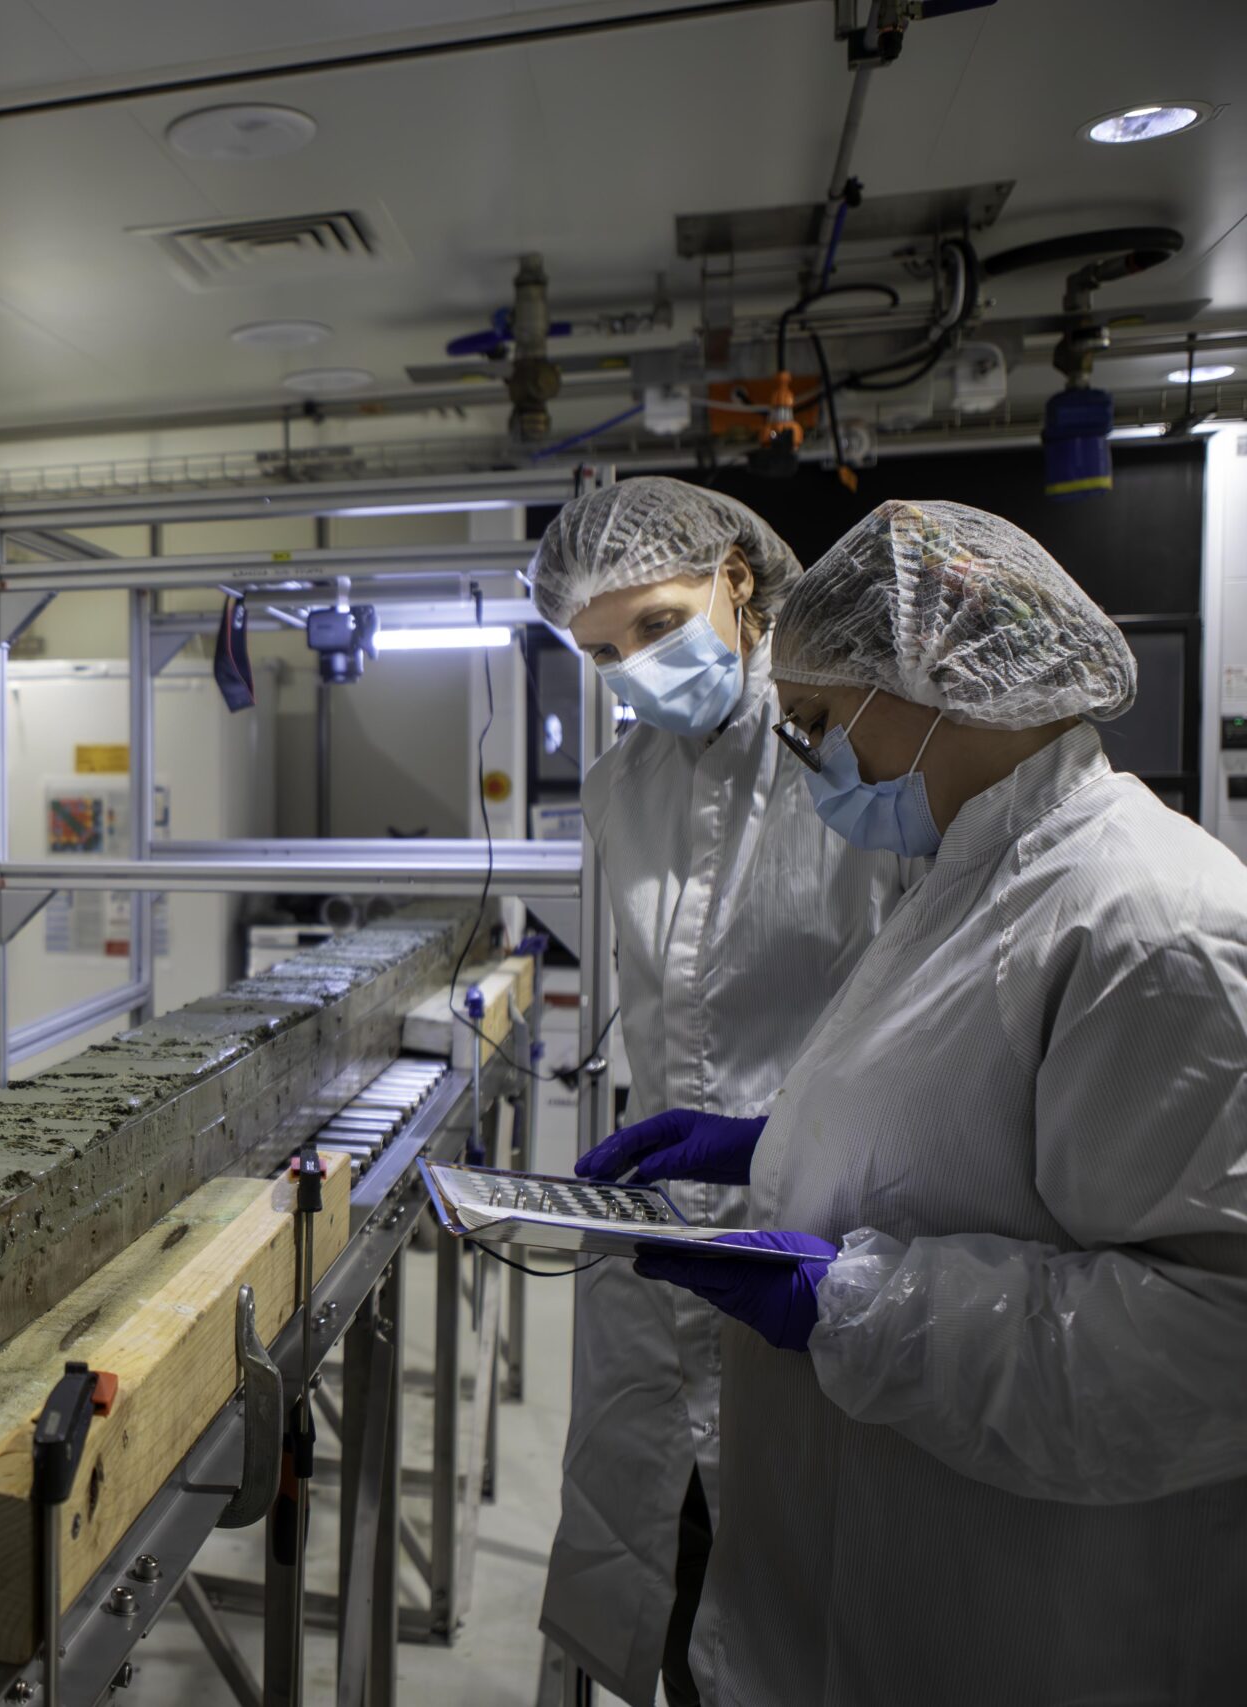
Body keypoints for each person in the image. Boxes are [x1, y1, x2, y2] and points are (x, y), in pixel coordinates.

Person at [631, 500, 1247, 1702]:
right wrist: (776, 1146)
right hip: (867, 1581)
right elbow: (969, 1126)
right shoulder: (969, 876)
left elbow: (1208, 1341)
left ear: (934, 677)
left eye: (812, 724)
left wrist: (851, 1308)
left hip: (1028, 1620)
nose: (812, 763)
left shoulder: (1151, 921)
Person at [527, 479, 910, 1707]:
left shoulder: (851, 757)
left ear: (735, 578)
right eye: (597, 652)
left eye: (652, 626)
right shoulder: (620, 789)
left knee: (803, 1588)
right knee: (664, 1545)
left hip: (827, 1222)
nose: (631, 671)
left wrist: (776, 1139)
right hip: (660, 1233)